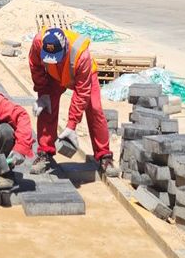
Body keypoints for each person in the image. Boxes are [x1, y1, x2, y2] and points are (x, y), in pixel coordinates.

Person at [28, 27, 118, 177]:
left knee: (95, 109)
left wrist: (71, 125)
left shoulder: (82, 56)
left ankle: (104, 156)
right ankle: (45, 152)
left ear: (65, 49)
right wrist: (42, 93)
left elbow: (81, 93)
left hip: (81, 75)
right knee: (47, 106)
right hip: (54, 75)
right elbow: (35, 66)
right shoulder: (38, 43)